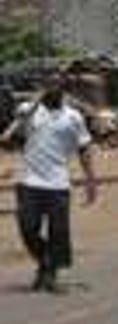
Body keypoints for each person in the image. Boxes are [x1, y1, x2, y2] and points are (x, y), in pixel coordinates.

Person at [1, 74, 98, 293]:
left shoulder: (73, 117)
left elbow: (83, 148)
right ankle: (46, 260)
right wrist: (32, 107)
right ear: (42, 87)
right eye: (49, 84)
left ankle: (50, 274)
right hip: (28, 181)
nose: (53, 88)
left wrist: (91, 181)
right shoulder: (28, 110)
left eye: (58, 85)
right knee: (27, 228)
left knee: (59, 232)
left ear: (64, 89)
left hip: (58, 184)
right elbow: (12, 136)